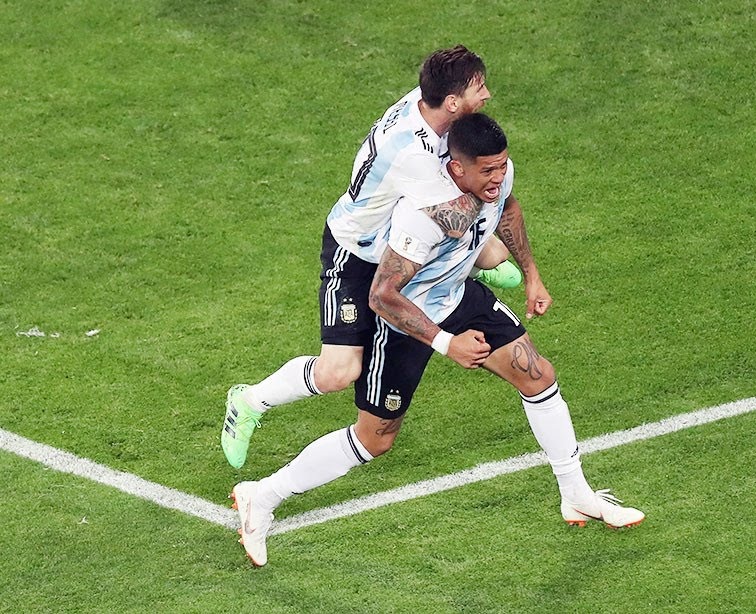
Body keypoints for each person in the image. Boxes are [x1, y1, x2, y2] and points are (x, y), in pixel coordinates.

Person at [229, 113, 644, 567]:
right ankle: (261, 496)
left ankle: (576, 493)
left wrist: (532, 275)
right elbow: (382, 295)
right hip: (405, 321)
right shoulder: (424, 215)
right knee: (374, 440)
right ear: (457, 168)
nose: (498, 177)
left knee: (537, 375)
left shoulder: (497, 177)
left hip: (458, 294)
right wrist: (447, 343)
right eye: (487, 170)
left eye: (502, 166)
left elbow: (508, 208)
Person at [221, 45, 520, 470]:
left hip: (392, 237)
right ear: (452, 102)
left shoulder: (429, 105)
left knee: (493, 251)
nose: (487, 95)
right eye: (479, 88)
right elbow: (455, 218)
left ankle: (470, 268)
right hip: (356, 252)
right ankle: (249, 401)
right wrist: (493, 194)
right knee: (338, 373)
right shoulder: (414, 157)